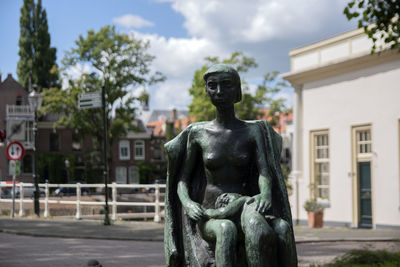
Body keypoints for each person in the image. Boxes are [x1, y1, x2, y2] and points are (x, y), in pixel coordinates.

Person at [164, 64, 297, 267]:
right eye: (212, 86)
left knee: (281, 229)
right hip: (211, 215)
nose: (219, 92)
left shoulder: (253, 132)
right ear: (207, 90)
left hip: (245, 205)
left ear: (237, 90)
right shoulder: (198, 134)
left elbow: (264, 172)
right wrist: (189, 204)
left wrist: (265, 193)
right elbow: (182, 179)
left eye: (226, 85)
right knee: (226, 229)